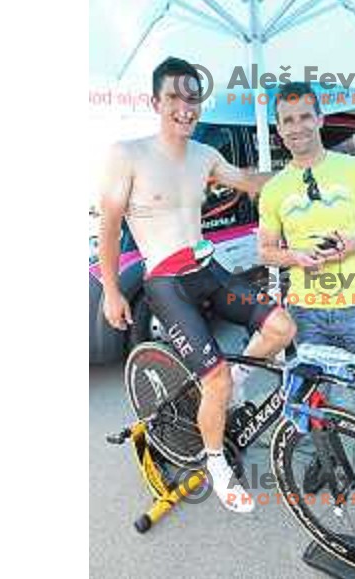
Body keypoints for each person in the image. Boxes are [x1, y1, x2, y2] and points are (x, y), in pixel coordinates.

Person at [98, 57, 296, 513]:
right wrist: (111, 290)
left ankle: (234, 385)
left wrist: (298, 172)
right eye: (175, 98)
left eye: (193, 99)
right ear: (156, 102)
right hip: (168, 282)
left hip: (209, 269)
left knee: (282, 327)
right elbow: (109, 225)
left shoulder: (205, 156)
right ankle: (216, 464)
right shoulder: (127, 154)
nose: (185, 108)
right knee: (216, 378)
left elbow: (248, 181)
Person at [258, 82, 355, 501]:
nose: (297, 126)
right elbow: (265, 250)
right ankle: (327, 461)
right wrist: (297, 256)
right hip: (306, 313)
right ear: (279, 129)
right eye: (288, 120)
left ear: (319, 119)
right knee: (315, 396)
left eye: (305, 116)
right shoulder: (274, 190)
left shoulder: (353, 169)